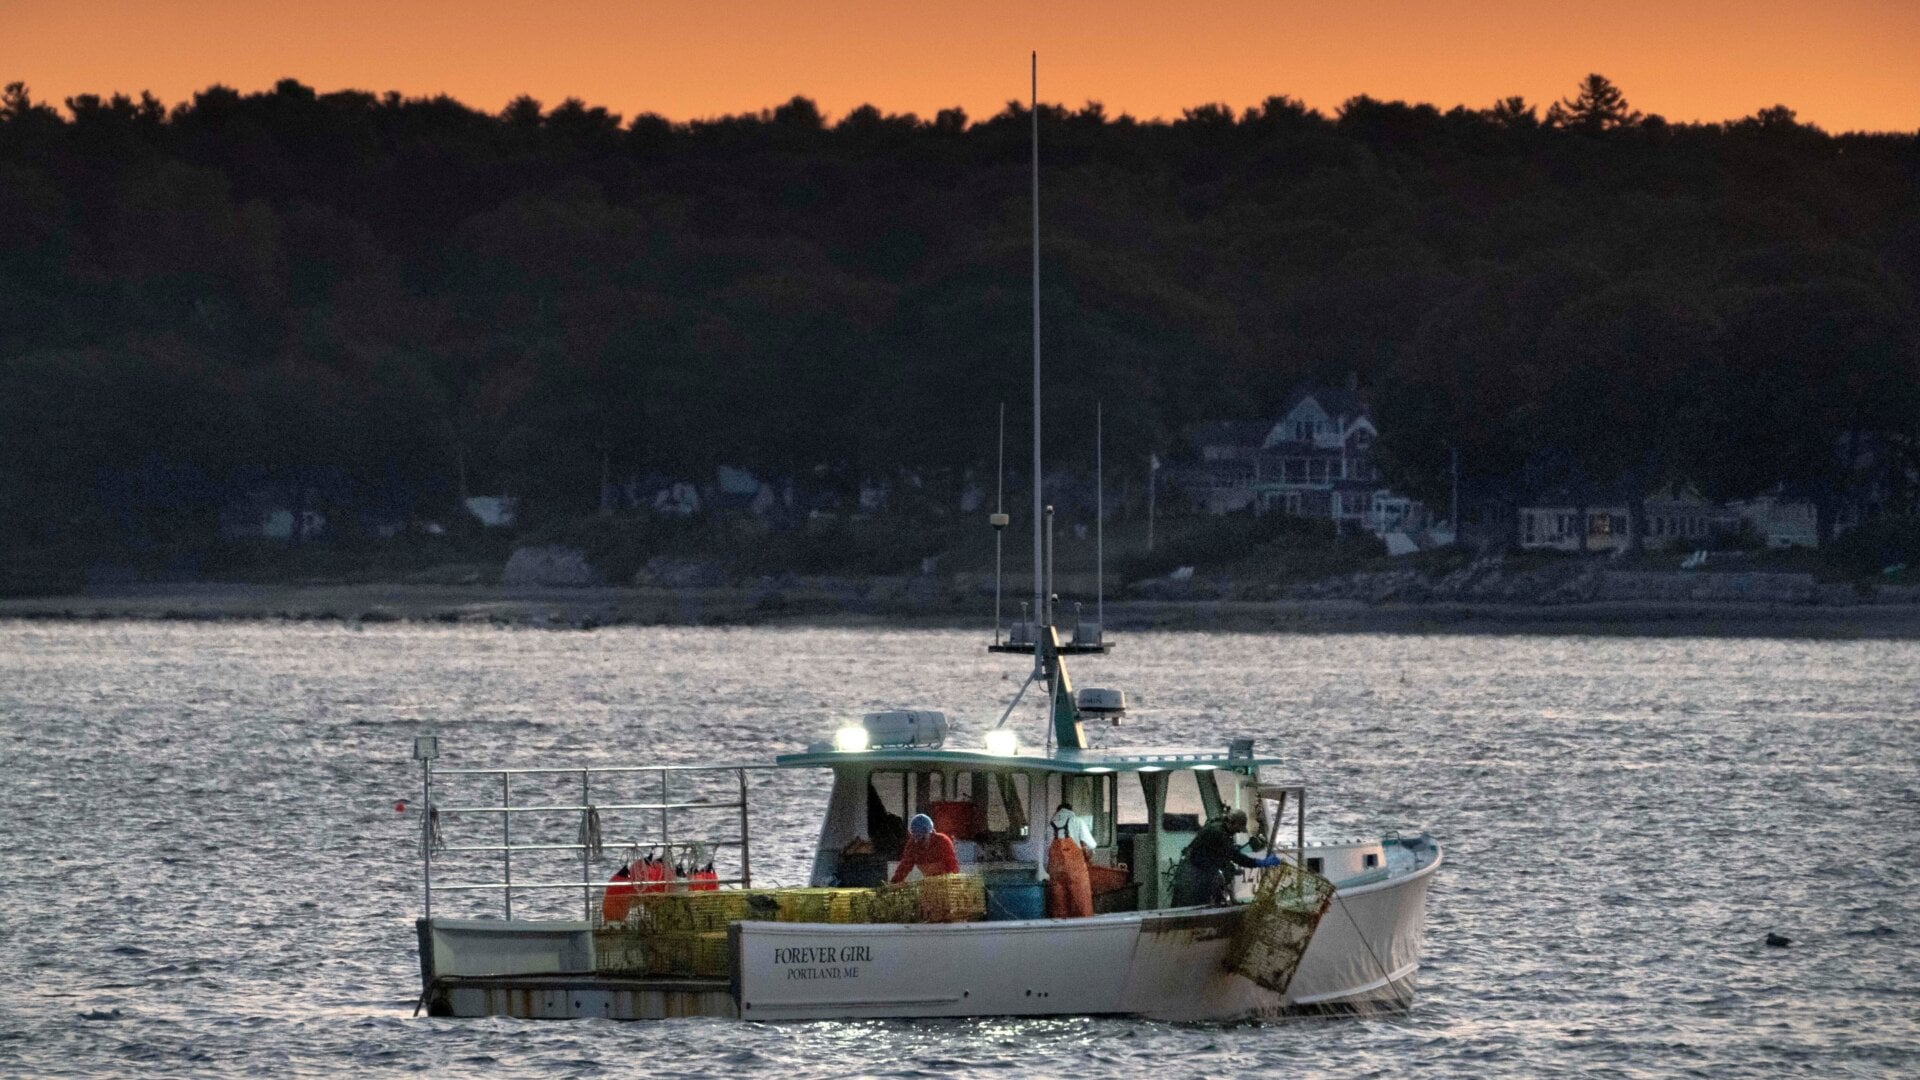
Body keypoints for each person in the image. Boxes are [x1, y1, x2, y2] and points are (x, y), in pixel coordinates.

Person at [1171, 809, 1280, 907]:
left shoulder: (1219, 826)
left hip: (1197, 867)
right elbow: (1237, 857)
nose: (1238, 831)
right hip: (1192, 872)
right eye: (1238, 828)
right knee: (1188, 903)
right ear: (1232, 822)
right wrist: (1261, 862)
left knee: (1204, 896)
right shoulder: (1218, 832)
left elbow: (1226, 850)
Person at [1045, 802, 1094, 918]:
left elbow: (1046, 854)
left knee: (1059, 907)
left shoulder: (1049, 827)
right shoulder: (1077, 821)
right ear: (1070, 810)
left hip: (1056, 872)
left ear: (1058, 811)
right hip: (1076, 872)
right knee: (1082, 906)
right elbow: (1092, 845)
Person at [890, 813, 960, 883]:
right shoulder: (912, 845)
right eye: (916, 838)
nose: (919, 842)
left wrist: (955, 883)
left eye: (922, 838)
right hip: (928, 883)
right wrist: (895, 882)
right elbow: (904, 866)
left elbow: (952, 865)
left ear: (931, 833)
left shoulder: (942, 841)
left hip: (946, 883)